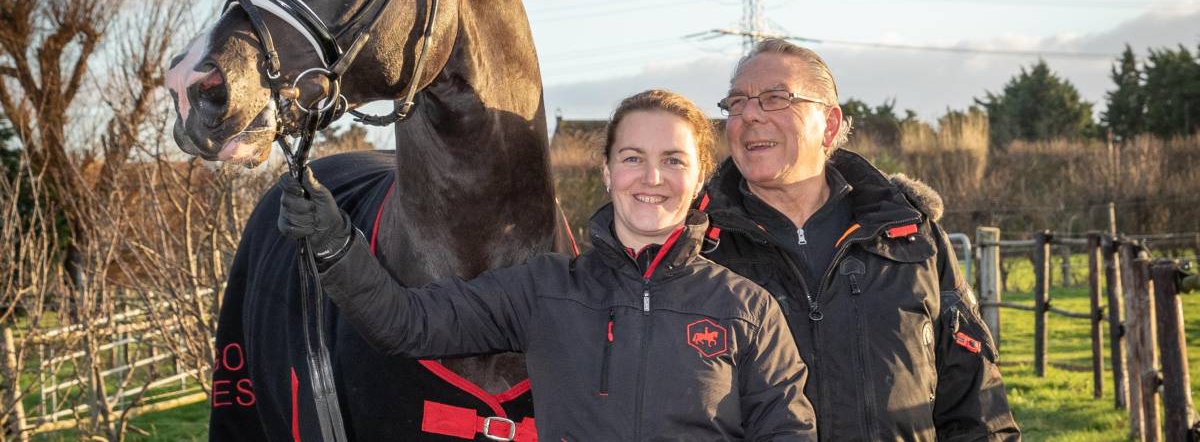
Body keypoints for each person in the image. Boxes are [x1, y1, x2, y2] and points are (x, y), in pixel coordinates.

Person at [278, 89, 818, 441]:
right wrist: (334, 243)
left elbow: (787, 433)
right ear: (607, 172)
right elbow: (406, 324)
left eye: (673, 160)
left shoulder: (747, 309)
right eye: (633, 158)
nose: (651, 177)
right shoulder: (544, 290)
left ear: (699, 180)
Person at [698, 39, 1020, 441]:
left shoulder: (909, 237)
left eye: (775, 98)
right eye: (737, 103)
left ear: (829, 124)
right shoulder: (698, 247)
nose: (749, 115)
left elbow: (975, 406)